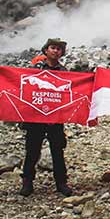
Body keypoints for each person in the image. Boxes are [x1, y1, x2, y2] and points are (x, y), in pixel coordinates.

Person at [18, 38, 73, 197]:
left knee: (57, 151)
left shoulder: (64, 71)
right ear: (46, 50)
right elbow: (23, 85)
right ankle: (27, 182)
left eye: (59, 49)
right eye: (53, 48)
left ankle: (61, 183)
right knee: (32, 151)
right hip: (35, 117)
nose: (55, 51)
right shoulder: (35, 69)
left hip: (55, 118)